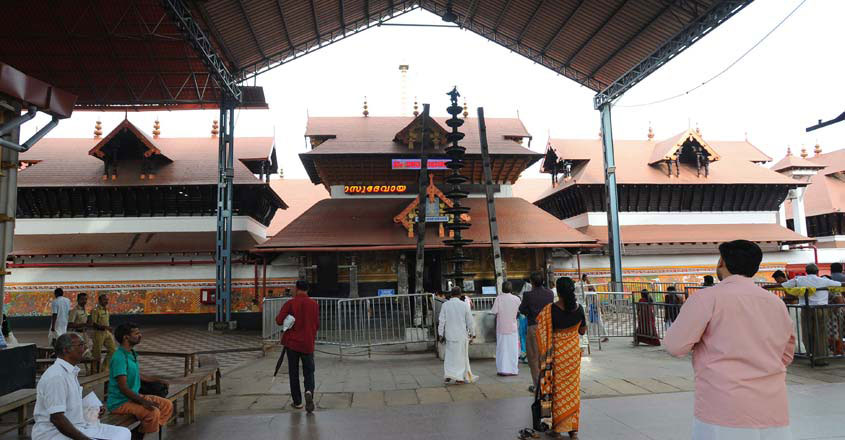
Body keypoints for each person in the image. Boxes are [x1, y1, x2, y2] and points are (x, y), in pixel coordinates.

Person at [665, 240, 795, 439]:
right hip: (772, 406)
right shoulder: (775, 302)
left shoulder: (707, 298)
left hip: (724, 406)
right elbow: (786, 354)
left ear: (721, 263)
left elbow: (675, 346)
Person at [32, 333, 131, 440]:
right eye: (80, 345)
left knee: (123, 433)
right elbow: (57, 419)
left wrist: (91, 409)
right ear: (66, 350)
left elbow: (68, 406)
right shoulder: (56, 377)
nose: (85, 348)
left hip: (75, 426)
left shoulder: (70, 372)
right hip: (52, 434)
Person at [536, 277, 587, 439]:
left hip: (557, 355)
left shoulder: (550, 310)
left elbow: (540, 330)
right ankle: (573, 430)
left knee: (558, 390)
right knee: (572, 390)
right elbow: (582, 331)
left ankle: (557, 429)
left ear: (557, 291)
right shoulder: (579, 309)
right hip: (572, 355)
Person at [108, 324, 172, 439]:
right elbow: (123, 387)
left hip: (134, 397)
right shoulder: (119, 357)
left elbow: (138, 375)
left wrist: (158, 379)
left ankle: (140, 432)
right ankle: (138, 435)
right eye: (136, 333)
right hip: (120, 402)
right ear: (126, 337)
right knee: (153, 412)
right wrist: (143, 401)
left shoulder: (131, 353)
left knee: (167, 405)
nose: (140, 335)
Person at [780, 263, 842, 365]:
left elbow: (784, 285)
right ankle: (821, 358)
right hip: (821, 309)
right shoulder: (824, 281)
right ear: (817, 272)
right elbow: (838, 284)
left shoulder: (799, 280)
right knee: (821, 333)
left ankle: (810, 354)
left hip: (806, 309)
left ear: (806, 271)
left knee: (807, 332)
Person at [275, 279, 319, 412]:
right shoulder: (314, 304)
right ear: (307, 290)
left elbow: (278, 320)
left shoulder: (290, 303)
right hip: (307, 343)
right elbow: (317, 325)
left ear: (297, 288)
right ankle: (309, 391)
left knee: (293, 373)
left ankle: (297, 402)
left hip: (292, 344)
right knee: (309, 371)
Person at [519, 272, 554, 392]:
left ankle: (537, 385)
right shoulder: (550, 293)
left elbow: (522, 309)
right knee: (546, 356)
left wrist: (529, 312)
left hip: (534, 326)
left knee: (533, 357)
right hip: (547, 327)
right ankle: (547, 383)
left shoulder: (528, 295)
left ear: (531, 282)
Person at [438, 287, 477, 384]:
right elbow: (470, 322)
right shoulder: (464, 305)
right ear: (460, 295)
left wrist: (440, 334)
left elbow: (441, 321)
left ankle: (448, 374)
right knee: (460, 357)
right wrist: (473, 334)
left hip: (449, 335)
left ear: (451, 294)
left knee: (450, 356)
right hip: (461, 335)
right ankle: (459, 377)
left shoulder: (445, 305)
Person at [490, 281, 520, 376]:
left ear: (502, 288)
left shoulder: (499, 298)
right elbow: (520, 311)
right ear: (511, 289)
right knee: (513, 349)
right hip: (512, 328)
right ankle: (513, 370)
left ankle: (502, 369)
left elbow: (494, 311)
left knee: (502, 349)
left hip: (501, 328)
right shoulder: (516, 299)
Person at [89, 294, 117, 372]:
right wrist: (105, 327)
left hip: (107, 332)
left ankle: (104, 367)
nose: (106, 301)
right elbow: (94, 324)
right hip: (98, 333)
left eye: (107, 300)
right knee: (96, 353)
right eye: (104, 300)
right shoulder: (95, 310)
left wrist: (107, 329)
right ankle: (94, 370)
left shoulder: (106, 310)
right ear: (100, 300)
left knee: (113, 350)